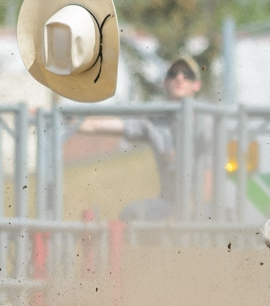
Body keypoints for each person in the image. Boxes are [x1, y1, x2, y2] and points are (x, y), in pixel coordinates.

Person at [86, 57, 208, 222]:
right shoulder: (155, 123)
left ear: (197, 85)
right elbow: (96, 125)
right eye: (173, 74)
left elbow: (212, 175)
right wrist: (61, 116)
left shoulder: (207, 122)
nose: (179, 78)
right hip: (170, 206)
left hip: (204, 205)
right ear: (164, 82)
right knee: (131, 215)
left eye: (187, 75)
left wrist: (189, 209)